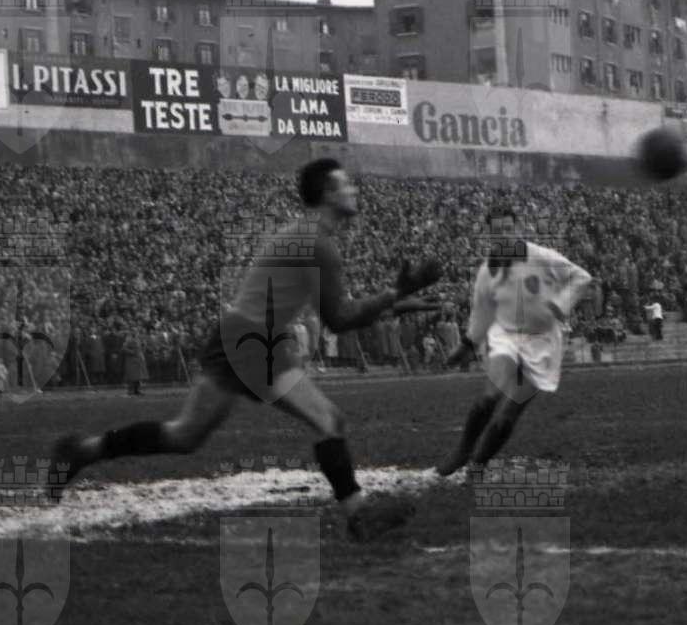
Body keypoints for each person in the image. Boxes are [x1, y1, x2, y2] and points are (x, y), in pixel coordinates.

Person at [47, 158, 441, 540]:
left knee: (185, 435)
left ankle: (82, 450)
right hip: (255, 340)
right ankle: (357, 515)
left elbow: (339, 313)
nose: (354, 189)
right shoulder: (318, 244)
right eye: (346, 183)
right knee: (328, 421)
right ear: (327, 192)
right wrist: (395, 293)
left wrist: (393, 302)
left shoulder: (306, 235)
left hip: (239, 334)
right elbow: (339, 318)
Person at [435, 203, 593, 478]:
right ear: (489, 234)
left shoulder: (541, 256)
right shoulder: (487, 271)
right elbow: (482, 314)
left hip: (542, 345)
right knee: (489, 396)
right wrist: (467, 345)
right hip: (505, 338)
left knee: (507, 416)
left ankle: (478, 465)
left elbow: (581, 277)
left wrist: (560, 304)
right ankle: (463, 450)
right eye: (497, 231)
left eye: (508, 229)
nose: (504, 235)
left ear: (517, 229)